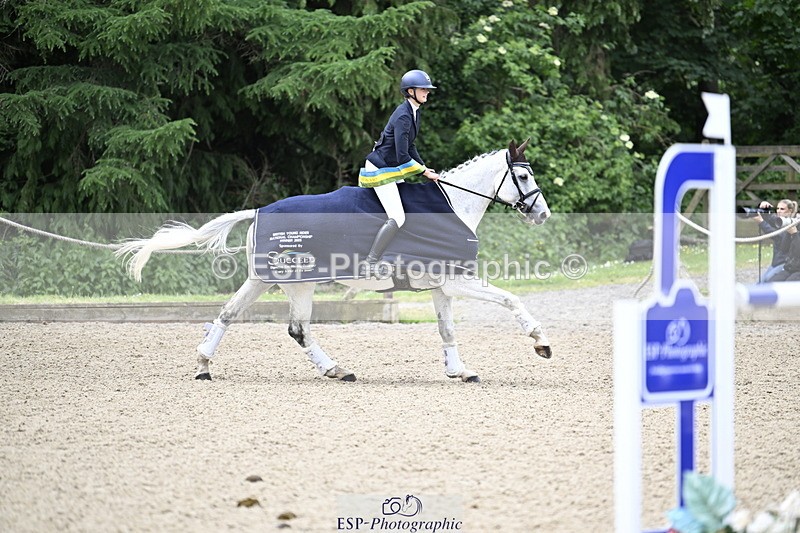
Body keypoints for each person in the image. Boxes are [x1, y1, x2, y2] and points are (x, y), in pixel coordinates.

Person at [357, 69, 441, 275]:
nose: (427, 92)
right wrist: (424, 173)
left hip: (391, 168)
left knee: (408, 209)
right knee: (398, 216)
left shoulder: (414, 111)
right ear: (410, 91)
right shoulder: (403, 115)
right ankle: (370, 262)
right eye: (423, 89)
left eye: (428, 90)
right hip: (380, 169)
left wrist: (424, 167)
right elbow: (403, 156)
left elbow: (410, 147)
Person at [753, 199, 799, 282]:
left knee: (768, 281)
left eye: (782, 209)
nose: (779, 211)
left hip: (785, 263)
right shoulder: (779, 220)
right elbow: (770, 219)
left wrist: (761, 222)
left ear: (790, 211)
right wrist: (764, 207)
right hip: (777, 263)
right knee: (759, 283)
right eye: (777, 208)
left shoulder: (793, 223)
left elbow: (777, 235)